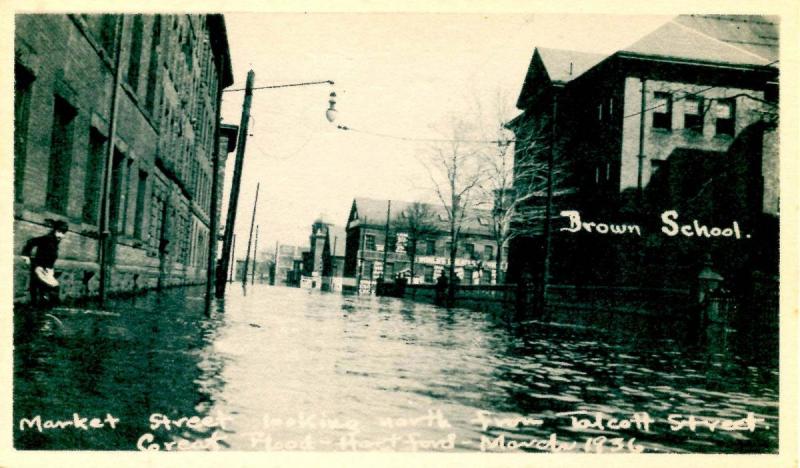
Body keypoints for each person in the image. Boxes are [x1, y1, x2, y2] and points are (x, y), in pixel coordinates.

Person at [21, 220, 68, 307]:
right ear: (54, 230)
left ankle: (39, 307)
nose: (61, 235)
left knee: (41, 288)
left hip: (47, 269)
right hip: (40, 268)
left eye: (63, 233)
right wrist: (26, 255)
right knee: (53, 287)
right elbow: (31, 242)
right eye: (59, 232)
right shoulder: (47, 239)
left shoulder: (55, 241)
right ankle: (39, 307)